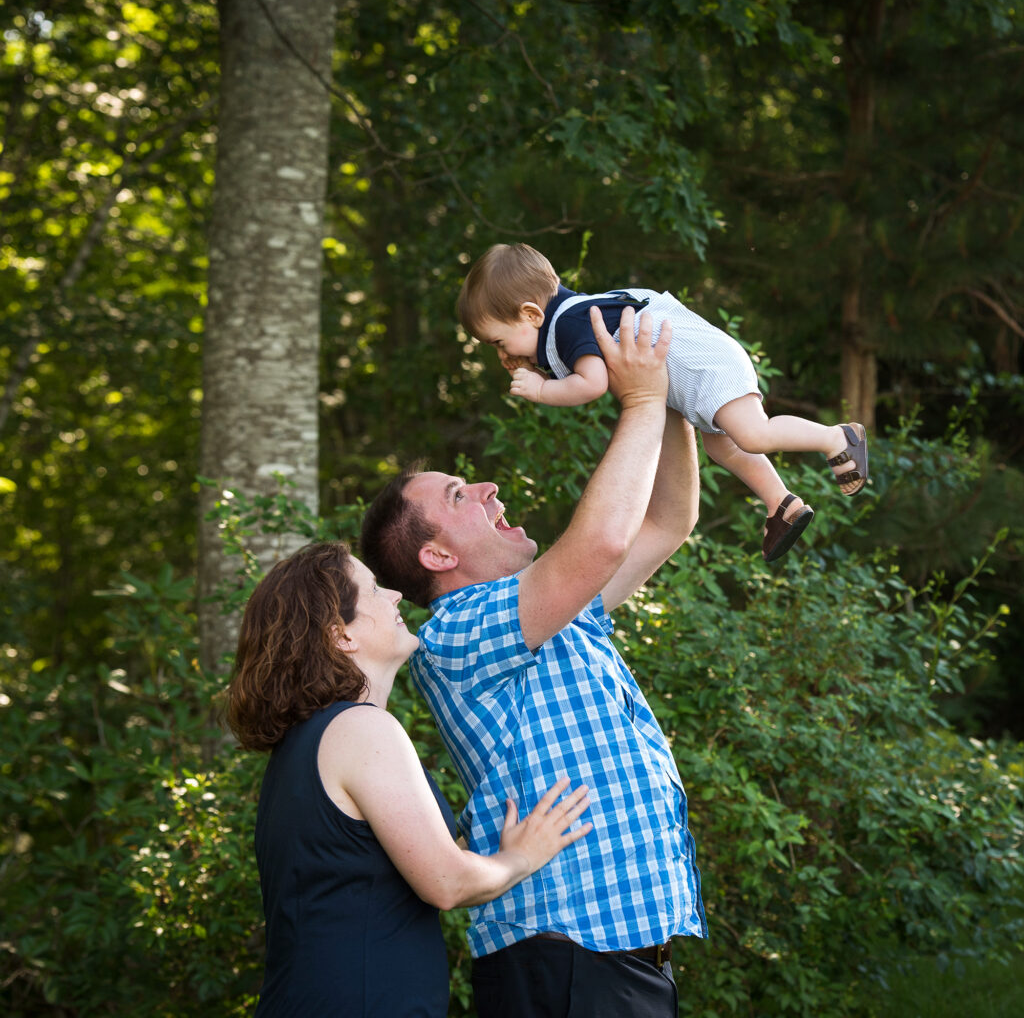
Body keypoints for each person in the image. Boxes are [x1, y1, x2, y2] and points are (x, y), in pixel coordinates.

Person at [361, 307, 706, 1018]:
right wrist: (637, 399)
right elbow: (605, 541)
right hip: (564, 958)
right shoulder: (458, 632)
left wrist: (669, 395)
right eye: (461, 496)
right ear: (437, 557)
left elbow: (669, 521)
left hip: (615, 958)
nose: (487, 488)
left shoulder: (553, 611)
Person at [225, 541, 593, 1018]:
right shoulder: (359, 728)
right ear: (341, 636)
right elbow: (446, 884)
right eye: (375, 589)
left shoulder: (312, 741)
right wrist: (522, 855)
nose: (396, 595)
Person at [457, 241, 870, 563]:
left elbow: (593, 383)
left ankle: (837, 438)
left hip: (701, 365)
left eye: (498, 341)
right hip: (693, 371)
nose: (500, 353)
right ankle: (782, 505)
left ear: (531, 314)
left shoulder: (569, 322)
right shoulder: (572, 318)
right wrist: (535, 365)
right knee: (721, 444)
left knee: (753, 433)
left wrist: (542, 390)